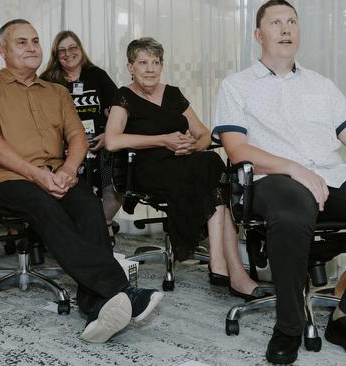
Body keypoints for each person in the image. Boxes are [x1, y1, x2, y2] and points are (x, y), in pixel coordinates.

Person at [213, 1, 346, 364]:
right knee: (292, 213)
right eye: (276, 23)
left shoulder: (321, 85)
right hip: (275, 178)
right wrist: (295, 169)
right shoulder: (237, 86)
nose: (285, 29)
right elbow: (237, 150)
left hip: (332, 174)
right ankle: (289, 326)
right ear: (258, 35)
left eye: (292, 22)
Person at [0, 19, 162, 343]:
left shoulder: (56, 91)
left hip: (56, 173)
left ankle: (97, 305)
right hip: (5, 177)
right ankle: (120, 289)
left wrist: (69, 171)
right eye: (21, 42)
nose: (32, 48)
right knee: (43, 203)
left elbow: (76, 136)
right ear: (2, 51)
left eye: (35, 41)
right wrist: (38, 175)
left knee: (88, 206)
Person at [105, 37, 263, 299]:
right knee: (212, 171)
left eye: (155, 62)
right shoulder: (124, 96)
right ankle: (224, 264)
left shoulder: (174, 94)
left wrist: (193, 146)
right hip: (146, 169)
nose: (150, 69)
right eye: (143, 63)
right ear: (130, 67)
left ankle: (220, 262)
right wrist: (163, 139)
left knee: (211, 164)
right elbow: (112, 140)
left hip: (183, 163)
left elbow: (203, 133)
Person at [40, 31, 123, 244]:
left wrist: (108, 135)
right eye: (62, 50)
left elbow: (117, 110)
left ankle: (101, 223)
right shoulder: (48, 80)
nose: (68, 54)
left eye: (73, 48)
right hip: (63, 146)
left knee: (117, 174)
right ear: (56, 55)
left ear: (80, 49)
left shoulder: (97, 75)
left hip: (99, 143)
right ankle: (71, 230)